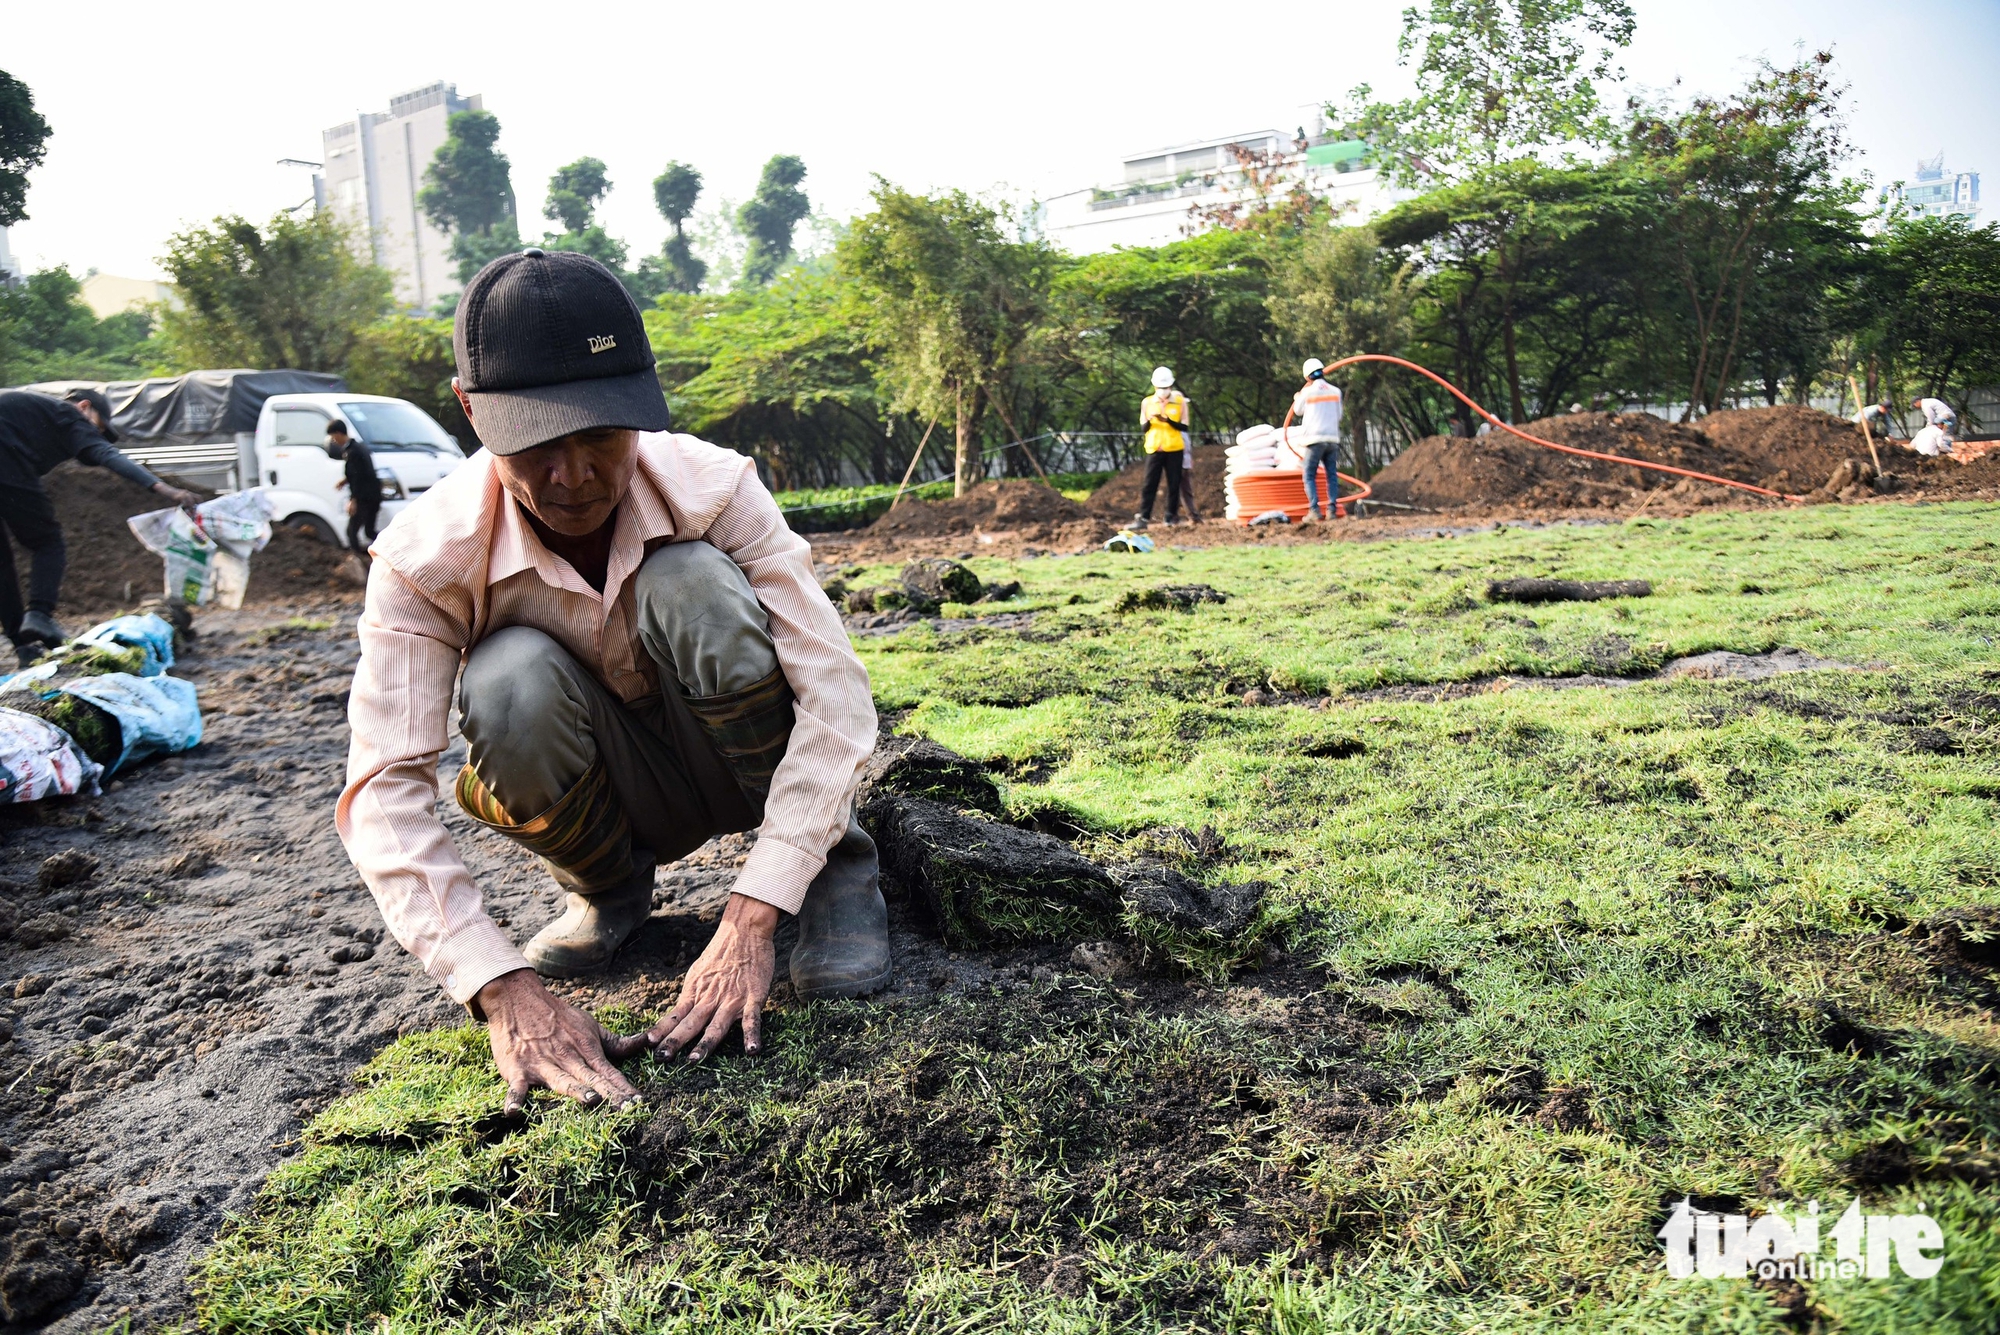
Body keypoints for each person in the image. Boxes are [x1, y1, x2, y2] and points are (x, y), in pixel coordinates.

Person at [337, 249, 883, 1114]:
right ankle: (608, 888)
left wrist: (751, 914)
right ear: (471, 412)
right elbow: (382, 794)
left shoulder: (716, 488)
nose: (575, 475)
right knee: (505, 676)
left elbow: (836, 695)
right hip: (617, 794)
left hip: (747, 768)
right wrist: (499, 986)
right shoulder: (424, 560)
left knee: (690, 581)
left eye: (600, 433)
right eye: (538, 443)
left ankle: (832, 871)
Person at [0, 388, 200, 665]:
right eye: (98, 427)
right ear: (85, 406)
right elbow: (107, 454)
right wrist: (166, 490)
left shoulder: (31, 413)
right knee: (47, 543)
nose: (94, 434)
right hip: (6, 461)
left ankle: (23, 647)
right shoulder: (68, 415)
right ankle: (40, 614)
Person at [1133, 366, 1189, 529]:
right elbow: (1143, 428)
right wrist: (1151, 419)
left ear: (1171, 386)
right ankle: (1144, 517)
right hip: (1154, 448)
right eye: (1160, 388)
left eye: (1166, 388)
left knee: (1174, 484)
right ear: (1154, 386)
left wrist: (1168, 421)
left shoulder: (1180, 402)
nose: (1163, 391)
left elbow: (1184, 426)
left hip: (1174, 448)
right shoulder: (1147, 402)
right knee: (1149, 484)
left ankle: (1170, 516)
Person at [1290, 359, 1344, 522]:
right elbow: (1339, 415)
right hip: (1332, 438)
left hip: (1314, 439)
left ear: (1307, 377)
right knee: (1332, 475)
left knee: (1308, 474)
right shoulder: (1336, 391)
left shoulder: (1307, 392)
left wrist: (1297, 396)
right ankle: (1331, 510)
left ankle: (1314, 510)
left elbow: (1297, 411)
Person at [327, 419, 382, 552]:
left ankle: (356, 560)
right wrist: (346, 480)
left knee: (351, 532)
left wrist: (353, 500)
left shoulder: (352, 452)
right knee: (369, 531)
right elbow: (361, 471)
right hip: (374, 495)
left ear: (339, 434)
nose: (333, 441)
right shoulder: (359, 446)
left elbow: (358, 478)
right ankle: (391, 546)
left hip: (364, 497)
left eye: (333, 437)